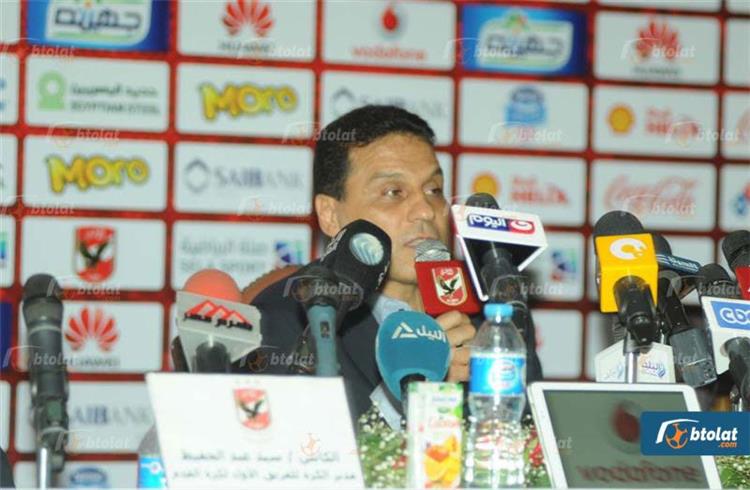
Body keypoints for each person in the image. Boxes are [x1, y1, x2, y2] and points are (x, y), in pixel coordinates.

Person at [240, 105, 542, 423]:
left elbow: (532, 439)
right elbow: (294, 439)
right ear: (330, 214)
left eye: (434, 190)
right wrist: (416, 392)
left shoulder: (494, 312)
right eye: (393, 192)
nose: (425, 210)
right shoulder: (292, 316)